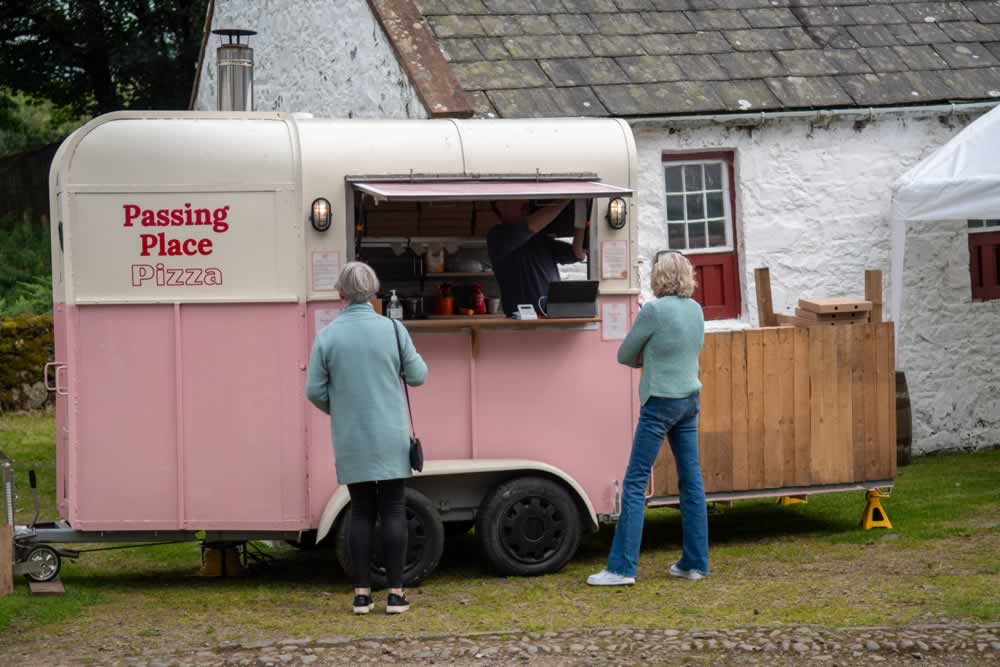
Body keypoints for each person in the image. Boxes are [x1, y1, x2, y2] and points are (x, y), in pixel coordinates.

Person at [306, 261, 428, 614]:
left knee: (360, 510)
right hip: (390, 433)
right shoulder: (392, 329)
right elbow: (418, 376)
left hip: (350, 435)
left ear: (340, 293)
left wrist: (339, 410)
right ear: (374, 292)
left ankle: (361, 594)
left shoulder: (327, 336)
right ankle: (395, 593)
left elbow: (314, 390)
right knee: (392, 509)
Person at [587, 250, 708, 586]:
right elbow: (690, 347)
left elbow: (625, 353)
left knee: (636, 481)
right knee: (692, 481)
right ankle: (695, 563)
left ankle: (622, 568)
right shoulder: (696, 309)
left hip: (660, 403)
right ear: (686, 276)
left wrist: (648, 360)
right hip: (689, 399)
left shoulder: (653, 311)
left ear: (659, 278)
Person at [486, 199, 588, 316]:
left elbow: (578, 253)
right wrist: (566, 198)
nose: (527, 201)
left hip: (553, 315)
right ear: (500, 205)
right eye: (516, 198)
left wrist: (581, 216)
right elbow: (531, 225)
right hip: (521, 319)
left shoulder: (540, 237)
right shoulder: (497, 235)